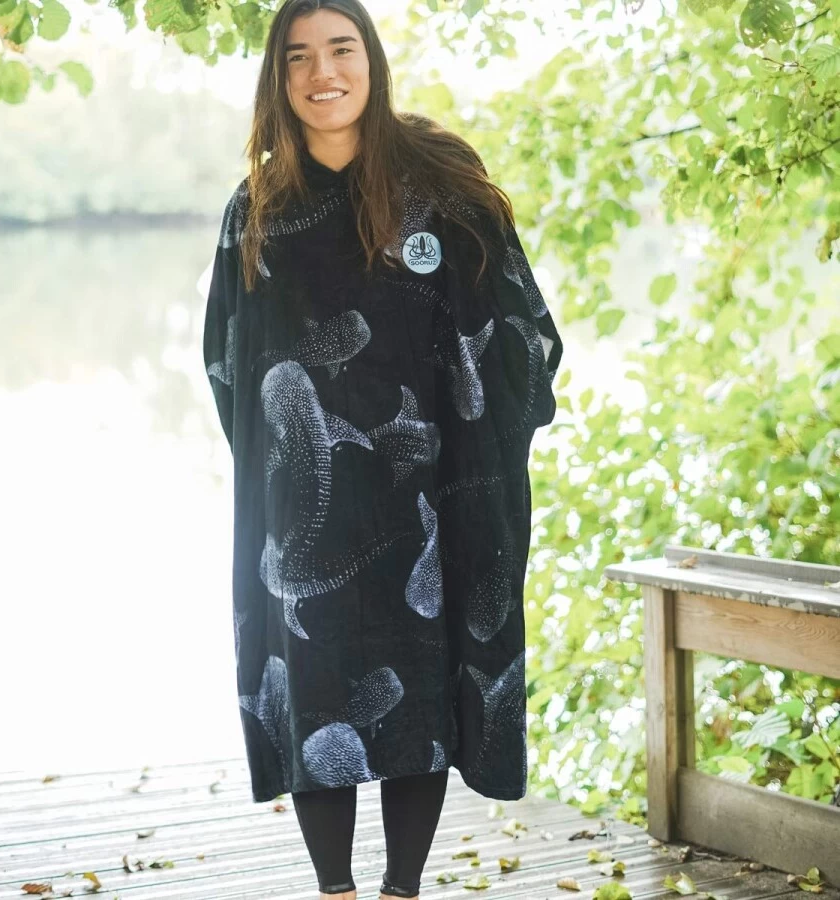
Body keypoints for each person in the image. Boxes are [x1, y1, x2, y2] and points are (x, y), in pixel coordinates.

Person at [202, 0, 564, 897]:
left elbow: (522, 327)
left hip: (429, 498)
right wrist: (277, 477)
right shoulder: (256, 211)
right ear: (278, 77)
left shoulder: (440, 187)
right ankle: (335, 890)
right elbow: (226, 363)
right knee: (313, 690)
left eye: (341, 49)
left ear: (371, 61)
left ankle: (403, 889)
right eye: (298, 56)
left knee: (419, 697)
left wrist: (478, 450)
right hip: (305, 515)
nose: (322, 73)